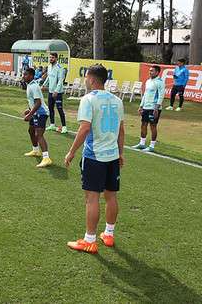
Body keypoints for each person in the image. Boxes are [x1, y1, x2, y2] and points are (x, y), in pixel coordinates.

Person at [64, 64, 125, 254]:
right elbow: (121, 131)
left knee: (92, 199)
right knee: (111, 196)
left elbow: (84, 128)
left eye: (86, 77)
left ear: (91, 79)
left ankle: (89, 240)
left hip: (94, 156)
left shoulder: (88, 99)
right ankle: (108, 233)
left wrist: (71, 151)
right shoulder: (117, 100)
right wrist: (121, 153)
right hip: (112, 156)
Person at [22, 67, 52, 168]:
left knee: (39, 134)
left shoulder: (34, 86)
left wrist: (30, 114)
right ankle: (35, 151)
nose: (24, 76)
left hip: (41, 113)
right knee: (31, 131)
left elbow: (38, 102)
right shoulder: (30, 85)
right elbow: (33, 101)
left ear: (31, 76)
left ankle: (46, 158)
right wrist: (29, 109)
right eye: (24, 74)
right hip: (35, 112)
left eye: (25, 75)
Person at [133, 65, 165, 152]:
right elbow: (145, 94)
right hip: (146, 107)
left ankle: (152, 146)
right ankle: (142, 144)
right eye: (150, 70)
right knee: (143, 125)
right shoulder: (148, 81)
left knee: (153, 126)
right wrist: (141, 106)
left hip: (154, 108)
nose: (150, 72)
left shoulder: (159, 82)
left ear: (157, 72)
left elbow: (161, 96)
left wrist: (156, 108)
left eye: (152, 71)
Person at [44, 53, 67, 133]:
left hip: (58, 92)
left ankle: (64, 127)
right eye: (50, 57)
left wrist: (56, 91)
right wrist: (44, 85)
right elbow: (48, 77)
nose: (51, 59)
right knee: (50, 108)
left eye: (52, 57)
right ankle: (52, 124)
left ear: (56, 58)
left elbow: (61, 80)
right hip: (50, 92)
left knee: (59, 109)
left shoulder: (60, 68)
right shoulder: (49, 66)